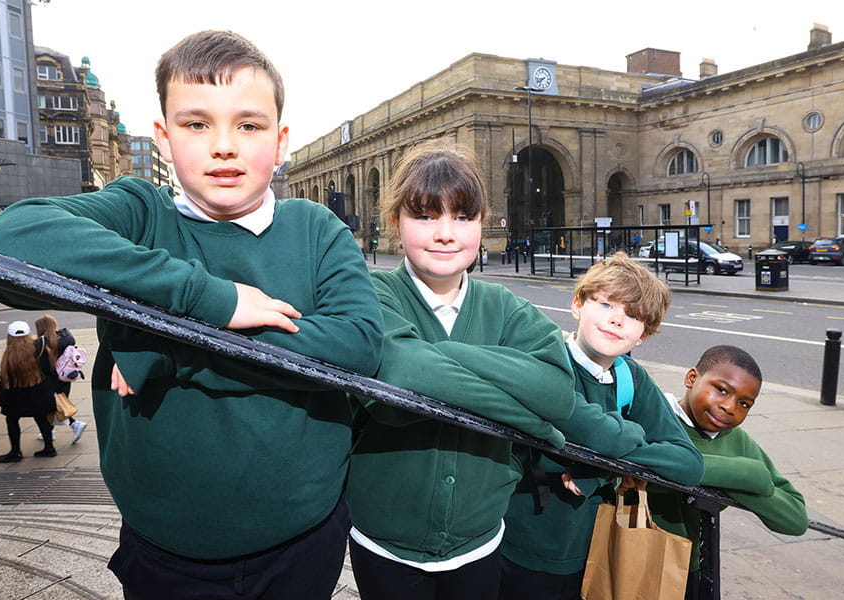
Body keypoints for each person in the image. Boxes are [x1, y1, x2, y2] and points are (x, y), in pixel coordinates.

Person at [0, 30, 383, 599]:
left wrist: (168, 346)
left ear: (281, 138)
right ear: (164, 139)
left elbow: (358, 346)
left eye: (249, 124)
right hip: (164, 549)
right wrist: (212, 301)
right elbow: (10, 244)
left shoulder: (317, 229)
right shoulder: (139, 212)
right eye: (197, 124)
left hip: (303, 539)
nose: (224, 145)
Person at [346, 140, 577, 600]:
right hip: (385, 541)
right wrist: (530, 422)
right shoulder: (372, 293)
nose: (445, 233)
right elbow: (398, 384)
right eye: (426, 216)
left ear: (481, 224)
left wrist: (428, 357)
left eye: (463, 217)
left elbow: (557, 393)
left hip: (479, 539)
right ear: (395, 223)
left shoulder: (507, 308)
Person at [499, 252, 705, 600]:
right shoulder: (547, 358)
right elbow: (576, 435)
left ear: (643, 335)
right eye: (607, 304)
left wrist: (601, 468)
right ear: (577, 305)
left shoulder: (630, 378)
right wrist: (627, 438)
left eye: (633, 315)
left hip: (589, 551)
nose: (617, 320)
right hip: (518, 545)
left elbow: (689, 463)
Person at [649, 345, 808, 598]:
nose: (730, 407)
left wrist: (742, 478)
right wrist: (744, 475)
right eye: (721, 390)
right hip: (636, 557)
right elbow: (642, 471)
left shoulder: (737, 440)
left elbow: (796, 519)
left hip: (692, 569)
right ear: (692, 378)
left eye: (744, 403)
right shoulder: (653, 415)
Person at [0, 321, 56, 463]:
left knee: (12, 420)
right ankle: (49, 448)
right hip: (39, 393)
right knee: (42, 419)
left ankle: (15, 451)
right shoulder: (39, 348)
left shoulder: (8, 356)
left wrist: (2, 399)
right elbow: (50, 370)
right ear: (29, 333)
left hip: (16, 396)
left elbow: (4, 380)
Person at [34, 314, 87, 444]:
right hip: (66, 377)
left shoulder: (45, 342)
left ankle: (75, 425)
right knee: (57, 405)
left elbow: (44, 366)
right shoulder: (66, 337)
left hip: (51, 380)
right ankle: (49, 431)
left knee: (52, 407)